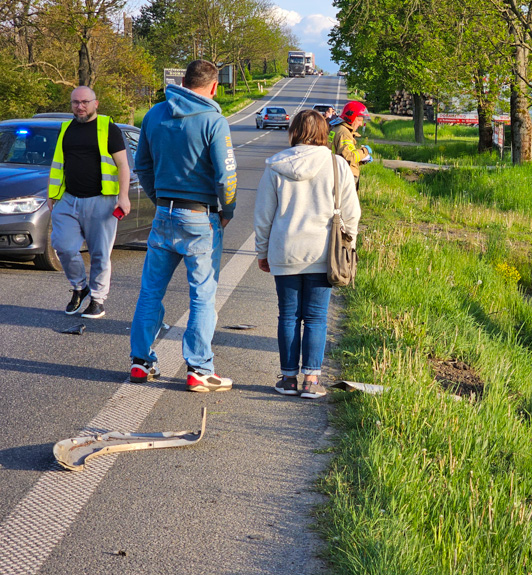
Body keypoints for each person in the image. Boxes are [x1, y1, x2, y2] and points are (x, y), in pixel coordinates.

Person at [129, 60, 238, 392]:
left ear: (183, 81)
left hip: (164, 213)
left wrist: (159, 197)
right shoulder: (214, 122)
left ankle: (140, 362)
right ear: (214, 87)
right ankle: (199, 369)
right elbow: (226, 176)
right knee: (202, 295)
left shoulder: (154, 115)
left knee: (151, 291)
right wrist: (227, 210)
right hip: (199, 217)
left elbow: (142, 166)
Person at [254, 110, 360, 398]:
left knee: (288, 316)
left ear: (294, 131)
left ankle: (288, 379)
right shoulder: (337, 165)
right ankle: (311, 380)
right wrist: (348, 248)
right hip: (323, 253)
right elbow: (351, 213)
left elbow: (264, 215)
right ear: (324, 133)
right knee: (315, 318)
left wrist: (262, 251)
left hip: (285, 250)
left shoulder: (276, 165)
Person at [47, 86, 131, 319]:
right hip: (68, 200)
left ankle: (97, 299)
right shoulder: (66, 129)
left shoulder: (108, 129)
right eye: (75, 102)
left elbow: (123, 165)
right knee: (63, 246)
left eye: (85, 102)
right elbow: (58, 164)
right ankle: (79, 287)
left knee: (99, 254)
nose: (80, 106)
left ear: (96, 103)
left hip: (101, 201)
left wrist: (123, 196)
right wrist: (52, 194)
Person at [328, 100, 372, 188]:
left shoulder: (338, 129)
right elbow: (349, 157)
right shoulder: (344, 133)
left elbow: (342, 156)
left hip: (338, 173)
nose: (360, 124)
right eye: (359, 120)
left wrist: (361, 160)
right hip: (345, 177)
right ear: (351, 117)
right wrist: (365, 151)